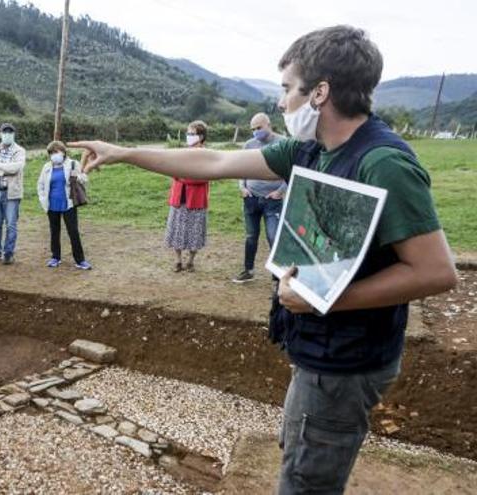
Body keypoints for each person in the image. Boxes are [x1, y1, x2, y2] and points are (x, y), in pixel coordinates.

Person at [71, 25, 457, 495]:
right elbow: (214, 163)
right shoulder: (314, 150)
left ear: (320, 92)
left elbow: (436, 271)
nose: (281, 102)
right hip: (323, 348)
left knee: (304, 482)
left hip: (346, 360)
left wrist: (323, 300)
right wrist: (125, 153)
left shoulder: (384, 163)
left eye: (287, 89)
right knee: (299, 458)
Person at [232, 112, 287, 283]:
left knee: (273, 237)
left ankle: (277, 277)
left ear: (268, 125)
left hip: (273, 201)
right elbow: (240, 168)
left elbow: (292, 171)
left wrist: (280, 191)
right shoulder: (249, 145)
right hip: (251, 198)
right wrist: (242, 187)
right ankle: (248, 270)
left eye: (259, 128)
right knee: (250, 236)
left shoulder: (283, 143)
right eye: (253, 129)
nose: (256, 132)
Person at [36, 141, 92, 270]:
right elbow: (40, 185)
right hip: (52, 204)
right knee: (54, 232)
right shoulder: (46, 167)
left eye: (56, 152)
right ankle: (55, 257)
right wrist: (42, 199)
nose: (54, 155)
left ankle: (80, 260)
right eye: (51, 153)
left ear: (63, 151)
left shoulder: (73, 164)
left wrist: (78, 177)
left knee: (73, 232)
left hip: (68, 203)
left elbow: (84, 179)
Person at [166, 121, 209, 272]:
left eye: (192, 134)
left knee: (195, 232)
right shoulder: (182, 152)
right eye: (188, 133)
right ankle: (178, 260)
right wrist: (182, 176)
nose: (189, 136)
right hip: (179, 198)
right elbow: (173, 171)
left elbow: (204, 177)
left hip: (196, 200)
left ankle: (191, 261)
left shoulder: (206, 155)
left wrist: (183, 177)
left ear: (201, 136)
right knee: (176, 229)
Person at [0, 123, 26, 265]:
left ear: (14, 134)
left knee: (11, 225)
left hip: (11, 194)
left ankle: (8, 253)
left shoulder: (20, 151)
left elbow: (16, 168)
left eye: (10, 132)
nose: (7, 134)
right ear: (0, 133)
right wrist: (2, 171)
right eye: (4, 132)